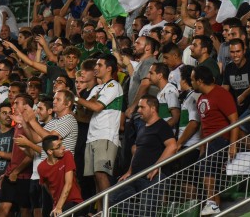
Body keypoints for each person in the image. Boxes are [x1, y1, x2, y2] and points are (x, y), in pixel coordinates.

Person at [110, 95, 177, 215]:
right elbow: (137, 151)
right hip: (136, 175)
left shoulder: (162, 125)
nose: (138, 110)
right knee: (112, 198)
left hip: (153, 177)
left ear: (153, 108)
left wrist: (156, 167)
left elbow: (172, 146)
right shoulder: (142, 128)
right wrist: (129, 171)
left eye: (142, 107)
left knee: (146, 210)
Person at [74, 54, 123, 212]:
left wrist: (75, 99)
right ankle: (100, 211)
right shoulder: (96, 88)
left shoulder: (113, 86)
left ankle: (107, 211)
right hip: (92, 136)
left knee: (101, 174)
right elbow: (85, 112)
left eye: (99, 65)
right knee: (96, 177)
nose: (96, 68)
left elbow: (95, 107)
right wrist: (81, 101)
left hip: (106, 136)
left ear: (109, 68)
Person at [192, 66, 238, 216]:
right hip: (209, 142)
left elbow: (234, 121)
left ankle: (211, 203)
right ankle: (214, 204)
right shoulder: (200, 98)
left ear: (199, 81)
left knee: (204, 164)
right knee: (203, 167)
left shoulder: (221, 94)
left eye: (192, 80)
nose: (191, 82)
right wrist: (202, 146)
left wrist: (233, 145)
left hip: (222, 139)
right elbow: (204, 125)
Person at [38, 135, 84, 216]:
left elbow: (68, 184)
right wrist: (56, 204)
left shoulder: (67, 155)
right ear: (50, 151)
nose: (63, 147)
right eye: (59, 146)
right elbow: (46, 186)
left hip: (74, 202)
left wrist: (59, 207)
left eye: (62, 144)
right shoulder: (41, 167)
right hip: (58, 205)